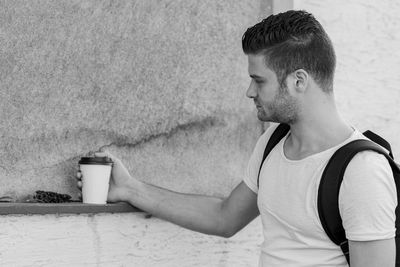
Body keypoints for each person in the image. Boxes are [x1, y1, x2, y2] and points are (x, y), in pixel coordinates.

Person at [76, 10, 396, 267]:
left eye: (259, 80)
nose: (249, 92)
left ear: (299, 80)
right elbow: (224, 217)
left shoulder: (361, 172)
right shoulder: (274, 142)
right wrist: (130, 188)